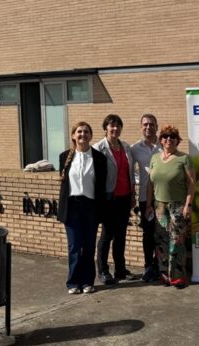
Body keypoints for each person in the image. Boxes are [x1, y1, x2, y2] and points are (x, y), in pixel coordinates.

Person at [57, 121, 107, 294]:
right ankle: (73, 282)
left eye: (86, 132)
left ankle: (87, 282)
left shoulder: (99, 158)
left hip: (91, 206)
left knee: (89, 245)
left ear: (91, 136)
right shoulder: (65, 157)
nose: (82, 135)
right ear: (73, 135)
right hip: (72, 207)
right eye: (79, 132)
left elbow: (101, 186)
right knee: (74, 246)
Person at [145, 125, 195, 288]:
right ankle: (164, 274)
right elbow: (150, 184)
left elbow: (191, 184)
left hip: (178, 206)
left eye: (172, 137)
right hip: (159, 206)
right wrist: (148, 205)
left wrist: (188, 205)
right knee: (161, 241)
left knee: (177, 241)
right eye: (165, 137)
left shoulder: (184, 158)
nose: (168, 139)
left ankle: (178, 276)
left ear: (177, 141)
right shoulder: (155, 158)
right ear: (160, 140)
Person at [93, 114, 136, 285]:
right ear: (106, 128)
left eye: (118, 126)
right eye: (112, 126)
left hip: (125, 197)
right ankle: (103, 271)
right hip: (109, 198)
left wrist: (133, 194)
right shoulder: (98, 148)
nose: (115, 129)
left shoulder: (126, 147)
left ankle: (120, 269)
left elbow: (130, 173)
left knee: (121, 235)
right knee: (107, 235)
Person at [131, 113, 161, 282]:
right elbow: (129, 172)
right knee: (148, 234)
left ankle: (160, 264)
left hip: (164, 198)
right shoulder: (135, 148)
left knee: (162, 233)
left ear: (156, 126)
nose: (148, 127)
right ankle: (148, 266)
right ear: (141, 127)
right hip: (145, 199)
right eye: (145, 124)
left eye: (151, 124)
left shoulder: (164, 144)